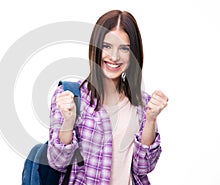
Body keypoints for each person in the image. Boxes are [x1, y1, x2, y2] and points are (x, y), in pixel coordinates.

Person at [47, 10, 168, 185]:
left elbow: (144, 167)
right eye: (107, 46)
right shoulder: (70, 96)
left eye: (124, 49)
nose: (114, 56)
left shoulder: (143, 104)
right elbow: (57, 162)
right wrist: (68, 121)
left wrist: (151, 119)